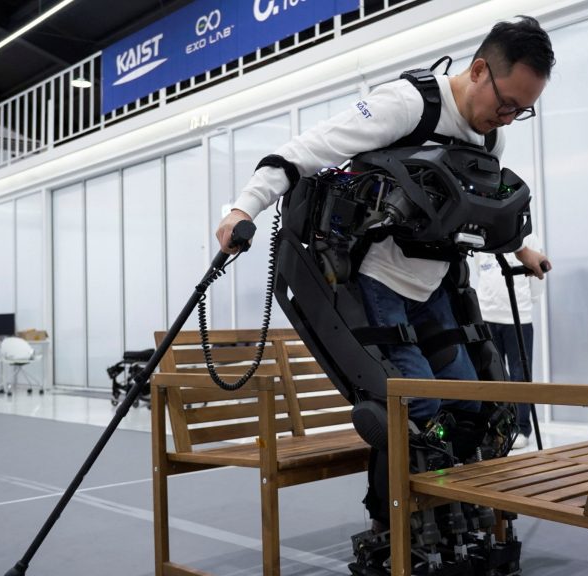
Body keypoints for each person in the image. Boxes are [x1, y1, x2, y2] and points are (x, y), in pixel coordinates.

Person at [216, 15, 555, 524]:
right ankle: (395, 526)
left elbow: (475, 207)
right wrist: (243, 209)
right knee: (419, 409)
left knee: (470, 408)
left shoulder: (490, 140)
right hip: (376, 284)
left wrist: (521, 248)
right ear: (481, 69)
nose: (508, 117)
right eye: (506, 103)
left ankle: (453, 519)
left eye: (522, 111)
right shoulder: (409, 104)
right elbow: (304, 151)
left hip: (437, 286)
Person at [471, 233, 548, 449]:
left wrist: (527, 304)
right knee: (491, 374)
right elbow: (480, 270)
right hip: (487, 315)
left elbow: (537, 279)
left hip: (518, 318)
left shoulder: (529, 239)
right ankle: (496, 428)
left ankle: (521, 428)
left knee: (520, 374)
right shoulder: (484, 237)